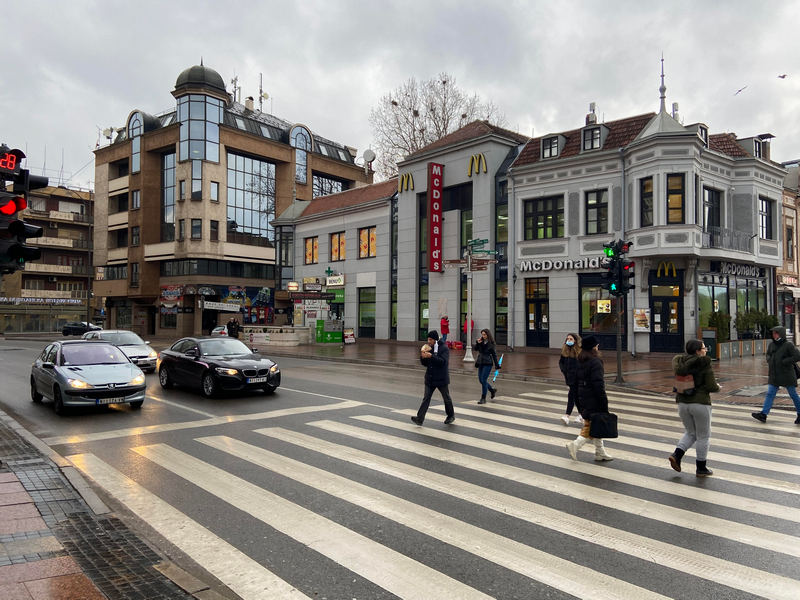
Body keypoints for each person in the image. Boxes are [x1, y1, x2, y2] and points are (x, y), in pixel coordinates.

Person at [669, 339, 719, 477]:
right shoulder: (704, 363)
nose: (705, 350)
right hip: (700, 403)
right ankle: (701, 468)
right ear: (697, 351)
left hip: (682, 402)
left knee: (691, 432)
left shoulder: (680, 363)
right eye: (703, 348)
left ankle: (677, 455)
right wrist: (718, 387)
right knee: (704, 436)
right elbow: (711, 386)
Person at [565, 335, 613, 461]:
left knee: (596, 424)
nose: (598, 347)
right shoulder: (595, 362)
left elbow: (575, 382)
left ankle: (600, 452)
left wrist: (578, 402)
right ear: (593, 347)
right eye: (597, 345)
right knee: (592, 426)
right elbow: (598, 384)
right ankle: (575, 445)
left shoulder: (581, 360)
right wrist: (604, 403)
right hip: (594, 399)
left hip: (583, 397)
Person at [752, 325, 800, 424]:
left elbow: (797, 356)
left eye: (775, 333)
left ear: (780, 334)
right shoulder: (772, 345)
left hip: (787, 374)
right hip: (774, 374)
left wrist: (785, 361)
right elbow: (768, 354)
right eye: (773, 333)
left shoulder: (788, 345)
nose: (773, 335)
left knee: (793, 394)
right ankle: (763, 414)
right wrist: (769, 360)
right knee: (770, 393)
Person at [411, 330, 455, 426]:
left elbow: (443, 362)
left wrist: (431, 356)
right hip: (430, 378)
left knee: (446, 398)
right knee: (426, 398)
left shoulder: (444, 348)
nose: (428, 341)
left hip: (441, 378)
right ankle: (420, 418)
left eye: (430, 339)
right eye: (428, 339)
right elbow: (425, 364)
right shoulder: (429, 348)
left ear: (435, 340)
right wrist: (423, 357)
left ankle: (451, 415)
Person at [558, 333, 583, 425]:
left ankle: (567, 415)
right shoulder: (565, 351)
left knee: (571, 396)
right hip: (569, 378)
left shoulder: (580, 352)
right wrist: (564, 371)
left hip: (578, 378)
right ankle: (582, 415)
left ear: (575, 340)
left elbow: (582, 364)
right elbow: (561, 362)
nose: (569, 340)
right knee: (575, 397)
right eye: (567, 339)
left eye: (571, 339)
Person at [474, 328, 501, 404]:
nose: (483, 336)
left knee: (483, 380)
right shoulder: (481, 341)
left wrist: (497, 365)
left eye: (484, 334)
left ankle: (483, 398)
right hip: (480, 362)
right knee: (481, 380)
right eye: (482, 334)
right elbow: (476, 349)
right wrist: (478, 343)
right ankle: (492, 390)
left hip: (488, 363)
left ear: (488, 335)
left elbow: (494, 355)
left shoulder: (491, 343)